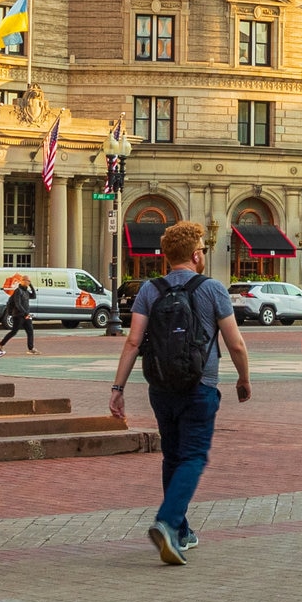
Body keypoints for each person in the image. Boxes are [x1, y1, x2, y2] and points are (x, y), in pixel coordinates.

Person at [112, 221, 251, 565]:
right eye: (202, 249)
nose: (203, 253)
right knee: (193, 456)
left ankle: (181, 532)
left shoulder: (149, 290)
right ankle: (168, 522)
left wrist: (118, 389)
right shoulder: (212, 289)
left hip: (160, 387)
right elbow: (235, 342)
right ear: (194, 255)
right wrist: (243, 378)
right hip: (199, 385)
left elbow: (132, 341)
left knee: (172, 456)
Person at [2, 277, 37, 355]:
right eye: (27, 281)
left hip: (26, 315)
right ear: (22, 281)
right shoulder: (18, 291)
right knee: (14, 331)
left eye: (29, 281)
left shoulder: (26, 291)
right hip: (18, 315)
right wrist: (25, 313)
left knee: (30, 331)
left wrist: (31, 286)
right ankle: (1, 344)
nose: (28, 282)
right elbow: (18, 304)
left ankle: (31, 348)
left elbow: (34, 296)